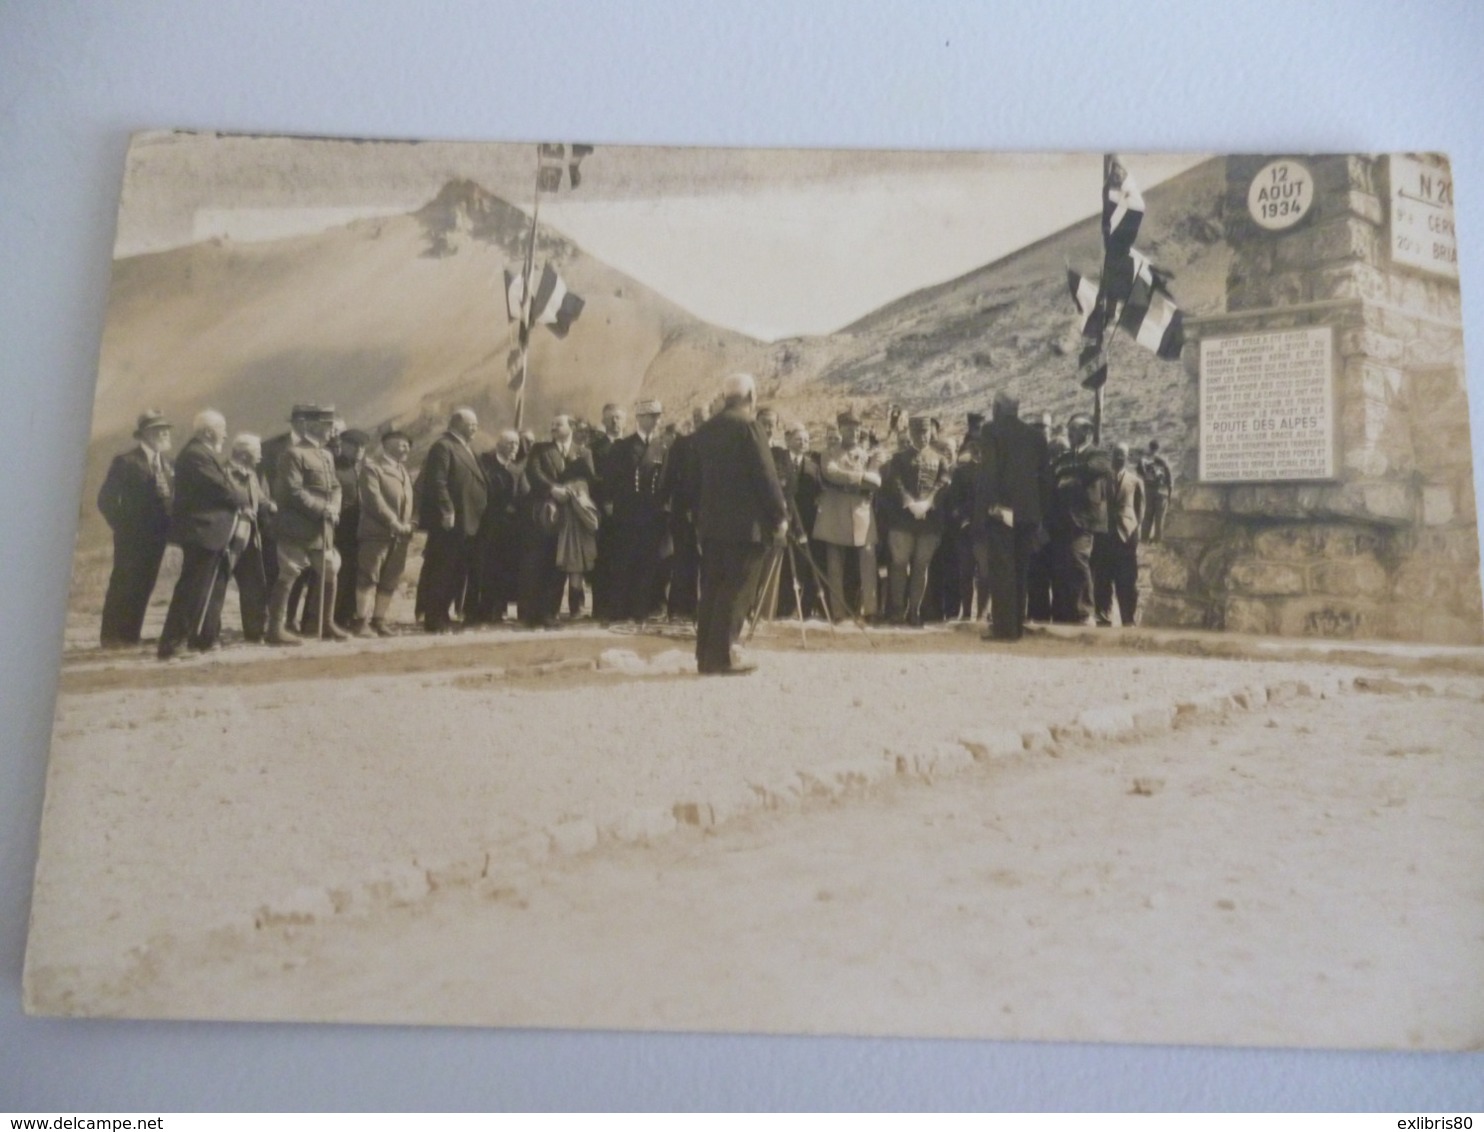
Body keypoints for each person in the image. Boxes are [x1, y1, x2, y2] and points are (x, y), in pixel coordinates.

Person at [691, 373, 788, 676]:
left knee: (712, 589)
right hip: (747, 528)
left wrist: (700, 519)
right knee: (736, 591)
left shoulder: (704, 431)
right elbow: (766, 477)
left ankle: (705, 656)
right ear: (750, 397)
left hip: (711, 527)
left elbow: (694, 481)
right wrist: (779, 516)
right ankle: (724, 656)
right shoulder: (749, 427)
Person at [156, 410, 241, 660]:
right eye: (222, 428)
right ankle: (172, 644)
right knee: (192, 590)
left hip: (207, 532)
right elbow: (222, 489)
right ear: (207, 431)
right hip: (202, 531)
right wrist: (240, 497)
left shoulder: (202, 453)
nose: (225, 434)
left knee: (199, 590)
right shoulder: (196, 455)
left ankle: (189, 640)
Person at [975, 390, 1052, 641]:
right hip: (1029, 513)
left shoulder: (991, 431)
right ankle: (1016, 627)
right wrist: (1039, 514)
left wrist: (990, 506)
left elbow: (989, 472)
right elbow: (1045, 479)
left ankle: (1003, 629)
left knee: (1002, 570)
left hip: (1002, 510)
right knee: (1020, 570)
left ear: (997, 407)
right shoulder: (1036, 436)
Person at [267, 403, 344, 645]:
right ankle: (275, 629)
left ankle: (325, 623)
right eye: (327, 425)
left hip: (322, 528)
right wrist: (322, 508)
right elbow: (291, 491)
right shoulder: (293, 454)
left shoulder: (327, 455)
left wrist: (334, 507)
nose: (332, 429)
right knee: (289, 572)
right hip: (297, 527)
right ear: (313, 425)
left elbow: (335, 487)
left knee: (330, 569)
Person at [97, 409, 175, 647]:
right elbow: (106, 500)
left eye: (165, 430)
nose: (163, 434)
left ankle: (130, 635)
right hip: (131, 538)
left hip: (157, 538)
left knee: (145, 584)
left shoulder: (168, 465)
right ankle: (110, 637)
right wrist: (123, 527)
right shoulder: (126, 461)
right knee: (123, 582)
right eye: (157, 430)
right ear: (144, 435)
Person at [419, 407, 490, 634]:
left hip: (469, 523)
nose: (476, 428)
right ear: (458, 423)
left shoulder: (466, 448)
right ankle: (435, 619)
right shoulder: (443, 446)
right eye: (472, 424)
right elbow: (437, 482)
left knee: (456, 572)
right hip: (451, 523)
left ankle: (444, 615)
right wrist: (446, 510)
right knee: (443, 571)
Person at [520, 413, 594, 627]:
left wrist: (574, 490)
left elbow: (588, 479)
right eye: (552, 424)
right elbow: (533, 473)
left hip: (572, 518)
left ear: (571, 427)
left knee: (562, 564)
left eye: (558, 424)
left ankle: (552, 612)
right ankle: (538, 614)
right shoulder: (540, 450)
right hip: (546, 515)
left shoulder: (583, 453)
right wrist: (553, 489)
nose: (553, 427)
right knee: (542, 562)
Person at [879, 414, 953, 626]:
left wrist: (928, 503)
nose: (922, 437)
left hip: (929, 522)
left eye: (926, 432)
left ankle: (915, 612)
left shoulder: (940, 459)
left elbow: (944, 483)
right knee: (899, 565)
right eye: (918, 433)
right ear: (910, 434)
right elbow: (895, 482)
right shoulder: (899, 458)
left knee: (921, 566)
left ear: (931, 433)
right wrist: (910, 503)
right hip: (902, 520)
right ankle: (896, 611)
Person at [606, 398, 673, 622]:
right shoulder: (623, 447)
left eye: (659, 416)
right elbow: (612, 482)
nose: (657, 420)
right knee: (625, 561)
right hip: (628, 514)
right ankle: (621, 610)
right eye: (653, 416)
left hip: (653, 514)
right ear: (641, 418)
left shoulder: (663, 447)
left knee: (649, 563)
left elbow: (666, 482)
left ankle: (643, 610)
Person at [814, 409, 883, 622]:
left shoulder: (867, 454)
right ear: (840, 430)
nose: (852, 432)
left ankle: (870, 610)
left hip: (861, 512)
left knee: (868, 562)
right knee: (835, 566)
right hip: (835, 511)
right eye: (847, 428)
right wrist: (861, 476)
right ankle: (838, 612)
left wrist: (858, 478)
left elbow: (877, 481)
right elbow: (831, 473)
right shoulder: (829, 453)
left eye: (856, 428)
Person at [1048, 413, 1113, 626]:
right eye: (1069, 431)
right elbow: (1056, 474)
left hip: (1084, 520)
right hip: (1064, 519)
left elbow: (1095, 468)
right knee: (1063, 565)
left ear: (1087, 432)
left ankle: (1085, 612)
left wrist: (1069, 473)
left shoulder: (1099, 454)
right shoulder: (1067, 457)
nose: (1070, 434)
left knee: (1078, 560)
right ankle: (1066, 613)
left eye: (1074, 431)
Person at [354, 429, 416, 637]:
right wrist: (393, 522)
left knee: (390, 578)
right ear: (387, 444)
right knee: (369, 576)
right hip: (376, 533)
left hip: (401, 536)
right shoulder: (373, 468)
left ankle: (379, 619)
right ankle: (361, 621)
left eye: (408, 444)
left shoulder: (404, 472)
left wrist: (410, 524)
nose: (406, 447)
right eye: (402, 443)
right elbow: (373, 501)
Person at [471, 428, 526, 626]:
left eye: (516, 444)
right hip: (489, 526)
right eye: (509, 443)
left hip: (510, 529)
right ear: (499, 445)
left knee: (504, 569)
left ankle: (498, 610)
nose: (513, 447)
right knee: (485, 569)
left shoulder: (516, 470)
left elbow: (523, 495)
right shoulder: (486, 467)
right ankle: (481, 612)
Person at [226, 432, 273, 643]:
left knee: (254, 584)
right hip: (228, 538)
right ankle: (205, 634)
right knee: (218, 584)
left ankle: (256, 632)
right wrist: (240, 509)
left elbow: (260, 498)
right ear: (244, 455)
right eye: (257, 453)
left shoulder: (252, 474)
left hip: (250, 539)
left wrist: (269, 505)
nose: (260, 457)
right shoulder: (224, 473)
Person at [1094, 442, 1146, 627]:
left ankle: (1128, 619)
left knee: (1127, 581)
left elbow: (1140, 511)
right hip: (1104, 536)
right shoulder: (1102, 479)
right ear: (1111, 456)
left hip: (1126, 537)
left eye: (1122, 455)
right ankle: (1103, 616)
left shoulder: (1135, 481)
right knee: (1102, 579)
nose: (1119, 458)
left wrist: (1132, 529)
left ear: (1128, 457)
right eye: (1116, 454)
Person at [589, 403, 626, 621]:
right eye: (610, 418)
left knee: (622, 558)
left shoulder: (630, 445)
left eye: (618, 417)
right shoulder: (595, 449)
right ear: (603, 422)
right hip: (602, 511)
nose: (615, 422)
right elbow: (593, 478)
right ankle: (600, 608)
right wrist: (604, 502)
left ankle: (619, 607)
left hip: (626, 511)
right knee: (602, 559)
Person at [329, 428, 369, 628]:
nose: (359, 450)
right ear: (343, 445)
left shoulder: (362, 469)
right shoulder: (334, 468)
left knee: (354, 572)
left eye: (362, 447)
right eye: (354, 446)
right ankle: (328, 617)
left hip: (359, 529)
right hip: (340, 528)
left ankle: (346, 615)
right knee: (338, 573)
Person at [1140, 438, 1173, 543]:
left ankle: (1144, 538)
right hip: (1162, 491)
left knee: (1148, 515)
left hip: (1149, 490)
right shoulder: (1164, 460)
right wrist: (1170, 492)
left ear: (1150, 447)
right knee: (1159, 517)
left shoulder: (1145, 460)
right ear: (1159, 448)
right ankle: (1157, 540)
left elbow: (1142, 474)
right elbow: (1169, 477)